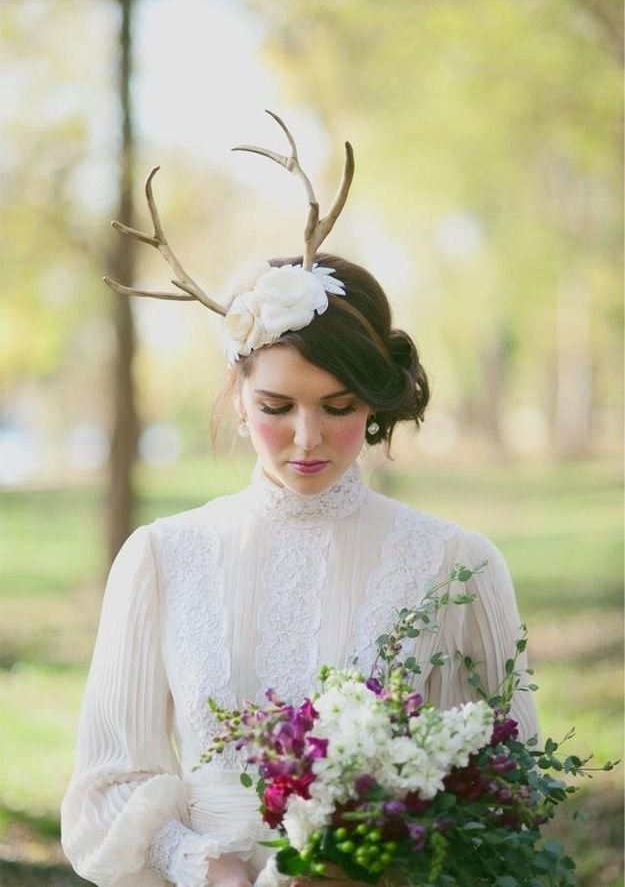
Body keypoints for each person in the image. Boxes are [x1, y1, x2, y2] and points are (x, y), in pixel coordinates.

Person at [61, 116, 538, 887]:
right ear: (237, 396)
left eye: (339, 406)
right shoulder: (162, 556)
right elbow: (104, 792)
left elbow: (507, 794)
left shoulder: (456, 564)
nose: (306, 438)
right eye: (277, 407)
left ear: (376, 403)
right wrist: (207, 866)